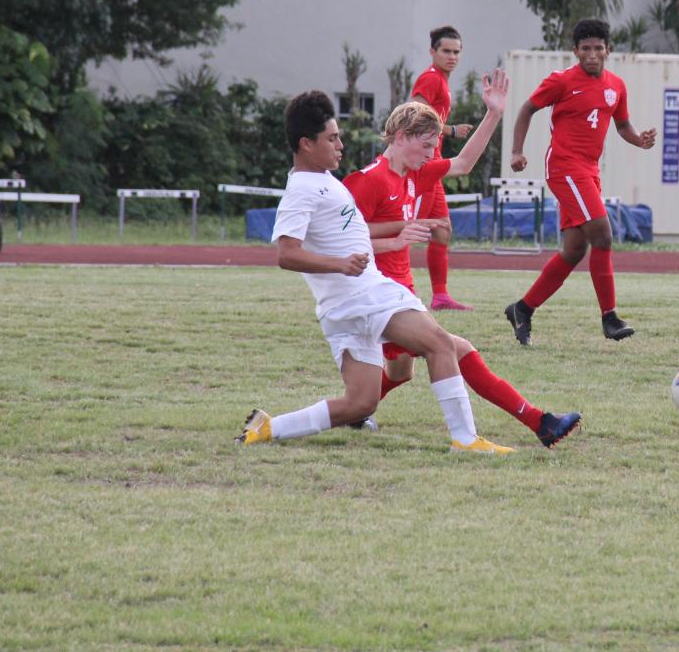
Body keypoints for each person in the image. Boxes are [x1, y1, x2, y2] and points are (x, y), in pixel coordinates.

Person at [237, 90, 514, 454]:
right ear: (306, 144)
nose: (341, 145)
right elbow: (287, 254)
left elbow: (352, 235)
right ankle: (465, 440)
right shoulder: (302, 190)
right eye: (332, 138)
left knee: (361, 403)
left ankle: (268, 428)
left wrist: (397, 236)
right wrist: (341, 264)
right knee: (441, 344)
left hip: (342, 306)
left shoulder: (325, 181)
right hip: (362, 295)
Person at [345, 76, 582, 448]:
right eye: (426, 146)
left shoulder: (416, 173)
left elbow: (465, 162)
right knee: (457, 348)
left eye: (433, 147)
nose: (430, 155)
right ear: (401, 135)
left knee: (401, 371)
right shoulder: (369, 181)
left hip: (399, 293)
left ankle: (352, 413)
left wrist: (493, 113)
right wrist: (397, 237)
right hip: (375, 298)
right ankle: (539, 423)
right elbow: (346, 244)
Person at [502, 18, 656, 346]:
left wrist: (638, 139)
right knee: (603, 235)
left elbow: (622, 124)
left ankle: (522, 309)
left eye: (598, 48)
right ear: (575, 51)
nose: (591, 54)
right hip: (564, 167)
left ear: (608, 50)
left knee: (574, 251)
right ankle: (610, 318)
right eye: (584, 48)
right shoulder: (561, 81)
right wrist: (517, 151)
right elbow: (527, 109)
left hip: (589, 171)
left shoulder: (616, 85)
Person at [409, 25, 473, 310]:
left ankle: (441, 296)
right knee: (407, 228)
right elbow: (414, 114)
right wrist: (451, 130)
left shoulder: (440, 80)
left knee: (442, 229)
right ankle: (395, 286)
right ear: (432, 51)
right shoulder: (431, 78)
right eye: (446, 51)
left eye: (456, 52)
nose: (452, 57)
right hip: (424, 165)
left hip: (433, 164)